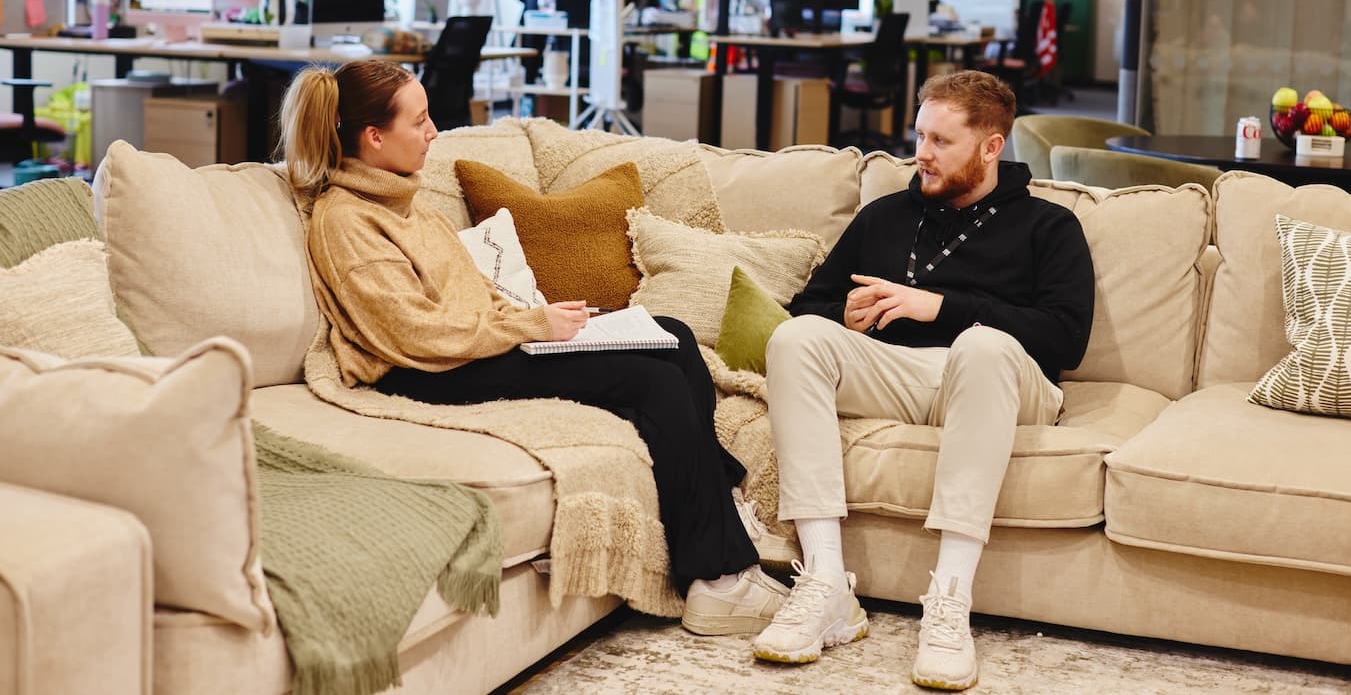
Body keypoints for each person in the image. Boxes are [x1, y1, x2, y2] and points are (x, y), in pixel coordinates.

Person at [278, 58, 788, 634]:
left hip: (478, 348)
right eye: (419, 122)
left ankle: (719, 509)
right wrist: (530, 329)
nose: (433, 133)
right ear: (374, 138)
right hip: (426, 371)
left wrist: (536, 320)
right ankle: (718, 578)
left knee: (672, 335)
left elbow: (470, 297)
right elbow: (412, 334)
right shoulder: (346, 219)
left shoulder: (404, 200)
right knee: (655, 382)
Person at [753, 71, 1095, 689]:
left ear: (991, 147)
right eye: (919, 136)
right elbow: (808, 306)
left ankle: (950, 599)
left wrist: (939, 308)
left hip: (1004, 381)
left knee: (984, 347)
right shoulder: (884, 215)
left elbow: (1065, 340)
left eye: (941, 141)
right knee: (795, 338)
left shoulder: (1050, 226)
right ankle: (826, 581)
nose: (922, 154)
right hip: (901, 375)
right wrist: (844, 316)